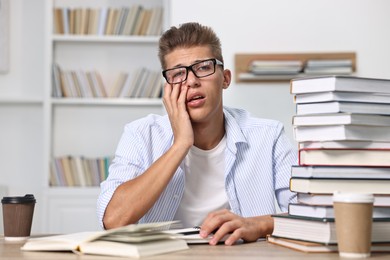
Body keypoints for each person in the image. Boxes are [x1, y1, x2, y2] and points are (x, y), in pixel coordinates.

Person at [97, 22, 297, 246]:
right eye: (178, 73)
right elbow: (113, 220)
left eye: (203, 67)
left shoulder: (268, 136)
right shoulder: (141, 134)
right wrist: (180, 144)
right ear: (168, 88)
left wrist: (260, 224)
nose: (191, 81)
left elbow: (315, 217)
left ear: (225, 78)